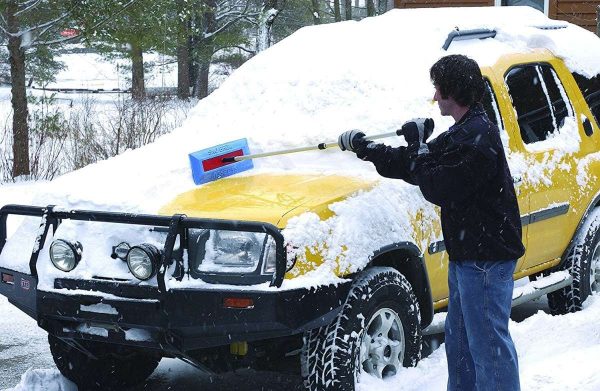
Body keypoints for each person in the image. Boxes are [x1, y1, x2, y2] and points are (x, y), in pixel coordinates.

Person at [338, 54, 524, 391]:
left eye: (439, 89)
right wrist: (367, 149)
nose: (435, 97)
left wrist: (419, 145)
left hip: (485, 258)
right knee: (461, 344)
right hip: (468, 256)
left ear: (454, 91)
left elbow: (438, 186)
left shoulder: (478, 139)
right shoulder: (465, 131)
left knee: (488, 349)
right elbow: (415, 167)